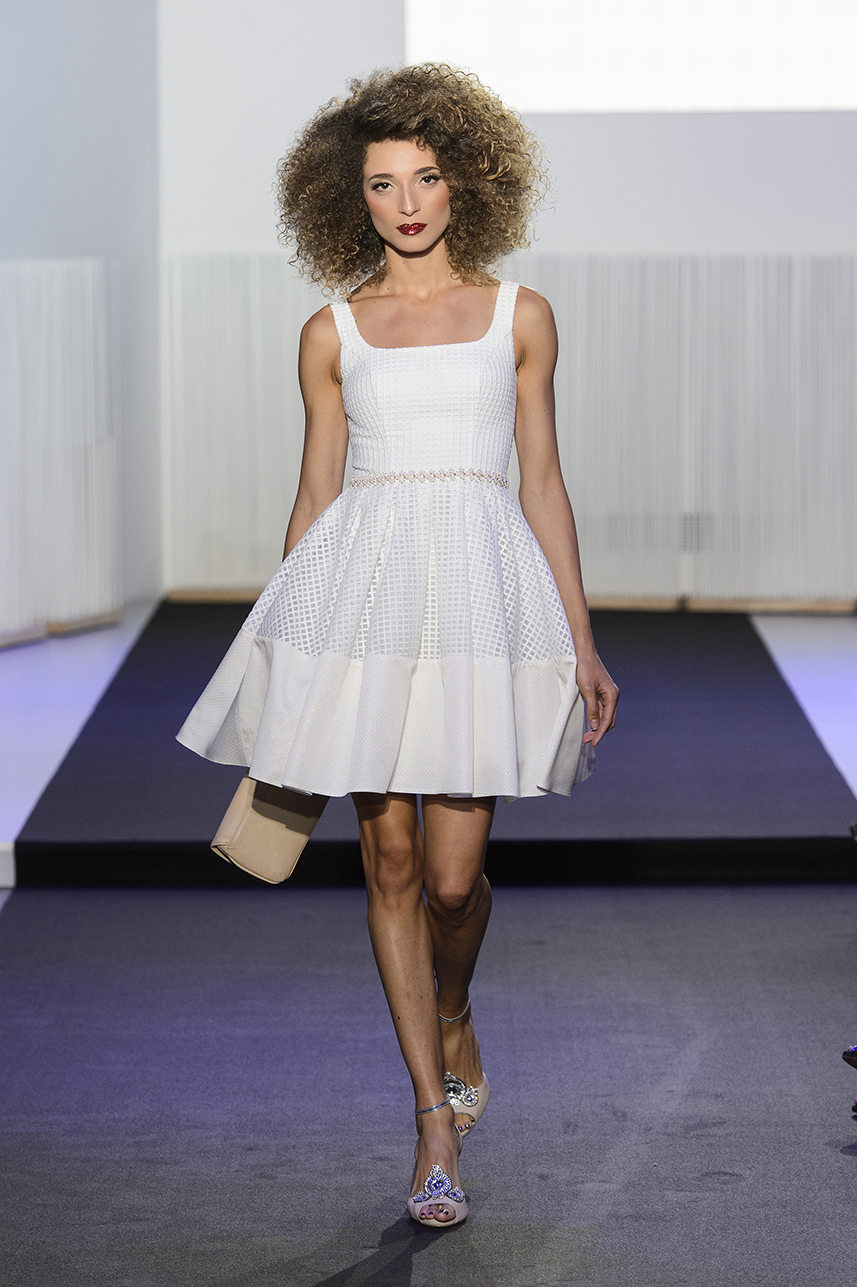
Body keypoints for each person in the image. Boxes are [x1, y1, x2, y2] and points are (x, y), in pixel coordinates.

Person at [177, 63, 618, 1227]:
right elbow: (315, 495)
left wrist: (579, 640)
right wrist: (288, 649)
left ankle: (454, 1007)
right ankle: (431, 1121)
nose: (407, 203)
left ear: (464, 181)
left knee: (455, 881)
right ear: (350, 194)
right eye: (382, 183)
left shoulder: (520, 316)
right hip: (364, 604)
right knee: (389, 864)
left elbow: (542, 482)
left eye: (424, 177)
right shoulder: (331, 332)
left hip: (477, 596)